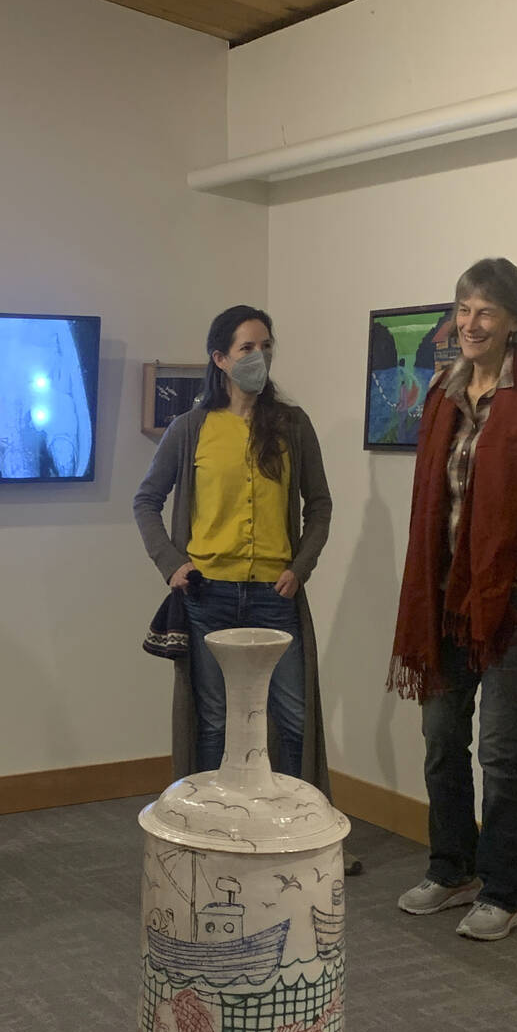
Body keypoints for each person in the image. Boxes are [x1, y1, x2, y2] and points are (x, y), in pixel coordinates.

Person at [388, 259, 517, 941]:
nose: (470, 323)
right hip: (447, 602)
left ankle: (505, 891)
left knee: (501, 752)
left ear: (516, 321)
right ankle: (452, 869)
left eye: (486, 311)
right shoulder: (446, 388)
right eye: (463, 308)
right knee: (442, 739)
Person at [133, 305, 333, 787]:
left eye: (266, 346)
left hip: (274, 594)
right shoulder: (191, 428)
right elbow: (146, 501)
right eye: (247, 348)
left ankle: (300, 826)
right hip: (208, 596)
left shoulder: (292, 425)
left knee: (292, 716)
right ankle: (211, 826)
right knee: (215, 720)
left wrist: (300, 566)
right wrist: (172, 565)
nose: (259, 357)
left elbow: (320, 504)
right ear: (220, 358)